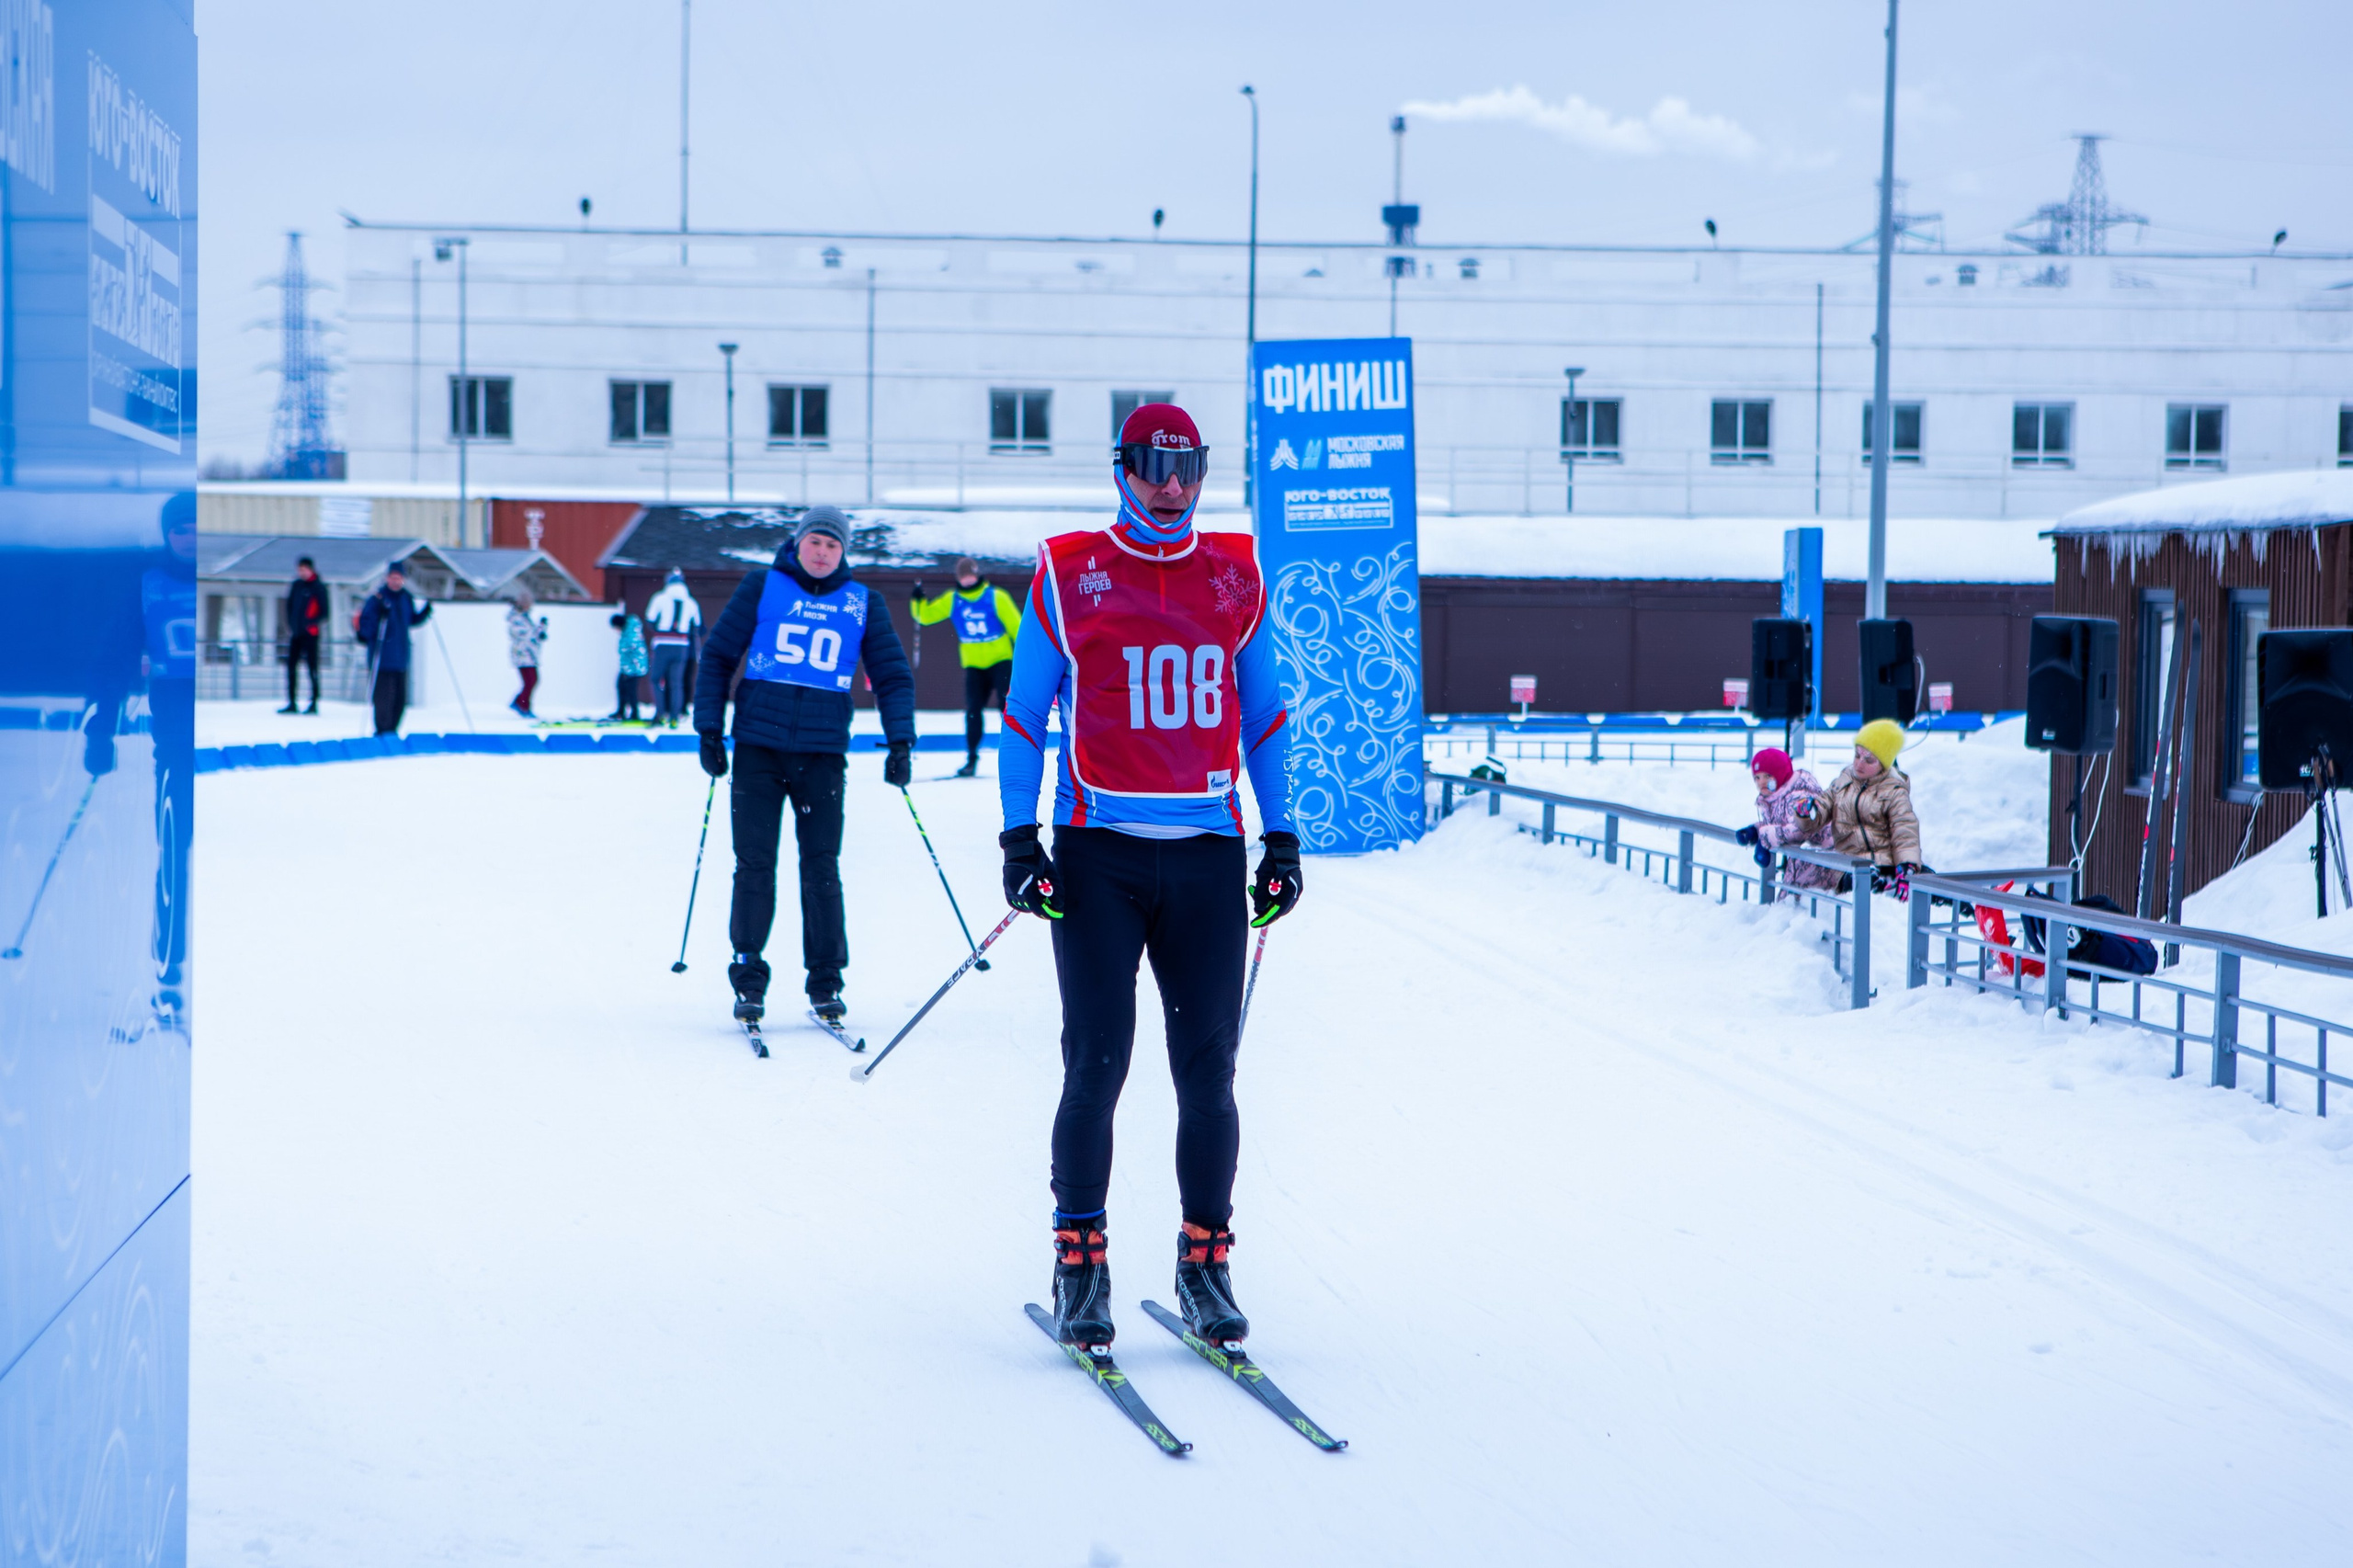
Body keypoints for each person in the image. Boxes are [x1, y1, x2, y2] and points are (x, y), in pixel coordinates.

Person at [997, 402, 1300, 1353]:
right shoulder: (1069, 569)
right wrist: (1019, 839)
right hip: (1100, 853)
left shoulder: (1235, 573)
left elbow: (1264, 716)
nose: (1170, 485)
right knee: (1096, 1064)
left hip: (1206, 855)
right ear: (1121, 467)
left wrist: (1282, 839)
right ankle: (1079, 1262)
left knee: (1209, 1074)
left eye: (1187, 466)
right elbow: (1025, 714)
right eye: (1151, 465)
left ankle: (1204, 1264)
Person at [694, 505, 915, 1026]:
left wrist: (900, 742)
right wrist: (709, 729)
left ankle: (826, 982)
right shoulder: (762, 586)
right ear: (797, 543)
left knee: (821, 868)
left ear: (844, 553)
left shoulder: (863, 602)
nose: (822, 552)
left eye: (833, 545)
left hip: (822, 755)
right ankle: (749, 978)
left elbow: (892, 676)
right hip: (758, 749)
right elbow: (718, 657)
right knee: (754, 865)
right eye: (815, 541)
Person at [911, 555, 1023, 778]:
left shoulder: (996, 596)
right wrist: (917, 600)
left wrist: (1024, 660)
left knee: (1007, 709)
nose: (968, 581)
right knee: (973, 712)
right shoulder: (953, 599)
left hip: (1001, 661)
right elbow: (925, 616)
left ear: (977, 574)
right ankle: (971, 758)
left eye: (971, 576)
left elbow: (1017, 628)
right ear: (958, 578)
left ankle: (1017, 756)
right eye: (964, 577)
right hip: (973, 665)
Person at [1802, 718, 1924, 893]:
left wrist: (1907, 865)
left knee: (1928, 880)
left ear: (1883, 764)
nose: (1859, 764)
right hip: (1849, 864)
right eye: (1857, 756)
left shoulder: (1894, 790)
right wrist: (1808, 812)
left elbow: (1904, 829)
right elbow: (1822, 808)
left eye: (1869, 760)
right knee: (1862, 880)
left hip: (1885, 864)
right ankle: (1878, 887)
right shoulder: (1844, 781)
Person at [1733, 746, 1840, 898]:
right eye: (1757, 778)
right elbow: (1780, 825)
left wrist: (1765, 837)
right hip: (1806, 861)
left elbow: (1799, 829)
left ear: (1780, 774)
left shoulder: (1799, 796)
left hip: (1825, 860)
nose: (1761, 782)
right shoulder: (1776, 797)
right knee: (1789, 903)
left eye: (1767, 776)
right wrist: (1755, 831)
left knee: (1799, 903)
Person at [355, 563, 430, 736]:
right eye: (393, 577)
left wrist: (424, 614)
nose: (396, 581)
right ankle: (382, 731)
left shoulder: (405, 598)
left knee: (399, 700)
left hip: (400, 658)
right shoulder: (377, 599)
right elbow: (366, 629)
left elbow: (410, 620)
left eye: (399, 578)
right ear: (387, 578)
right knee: (384, 699)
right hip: (382, 659)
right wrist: (379, 615)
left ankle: (393, 731)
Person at [644, 568, 701, 726]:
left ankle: (661, 714)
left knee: (656, 679)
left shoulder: (660, 598)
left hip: (662, 643)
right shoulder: (691, 602)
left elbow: (650, 620)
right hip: (681, 646)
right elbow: (696, 625)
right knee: (676, 683)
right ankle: (675, 717)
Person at [279, 555, 326, 714]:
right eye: (300, 570)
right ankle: (292, 701)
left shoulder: (318, 587)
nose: (302, 572)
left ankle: (314, 702)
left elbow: (324, 612)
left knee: (312, 667)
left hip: (311, 634)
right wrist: (292, 625)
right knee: (291, 667)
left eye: (304, 569)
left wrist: (310, 623)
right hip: (296, 633)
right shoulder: (296, 586)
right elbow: (290, 606)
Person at [506, 591, 548, 716]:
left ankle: (519, 703)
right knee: (531, 681)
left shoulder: (525, 617)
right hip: (522, 654)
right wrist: (537, 633)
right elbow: (523, 634)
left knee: (532, 681)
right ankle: (523, 706)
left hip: (530, 654)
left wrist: (541, 628)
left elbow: (532, 634)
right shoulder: (516, 618)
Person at [610, 608, 648, 721]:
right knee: (621, 686)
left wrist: (630, 668)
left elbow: (631, 648)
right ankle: (621, 711)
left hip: (634, 666)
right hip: (627, 666)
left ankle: (634, 713)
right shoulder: (628, 630)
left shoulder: (631, 632)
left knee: (631, 690)